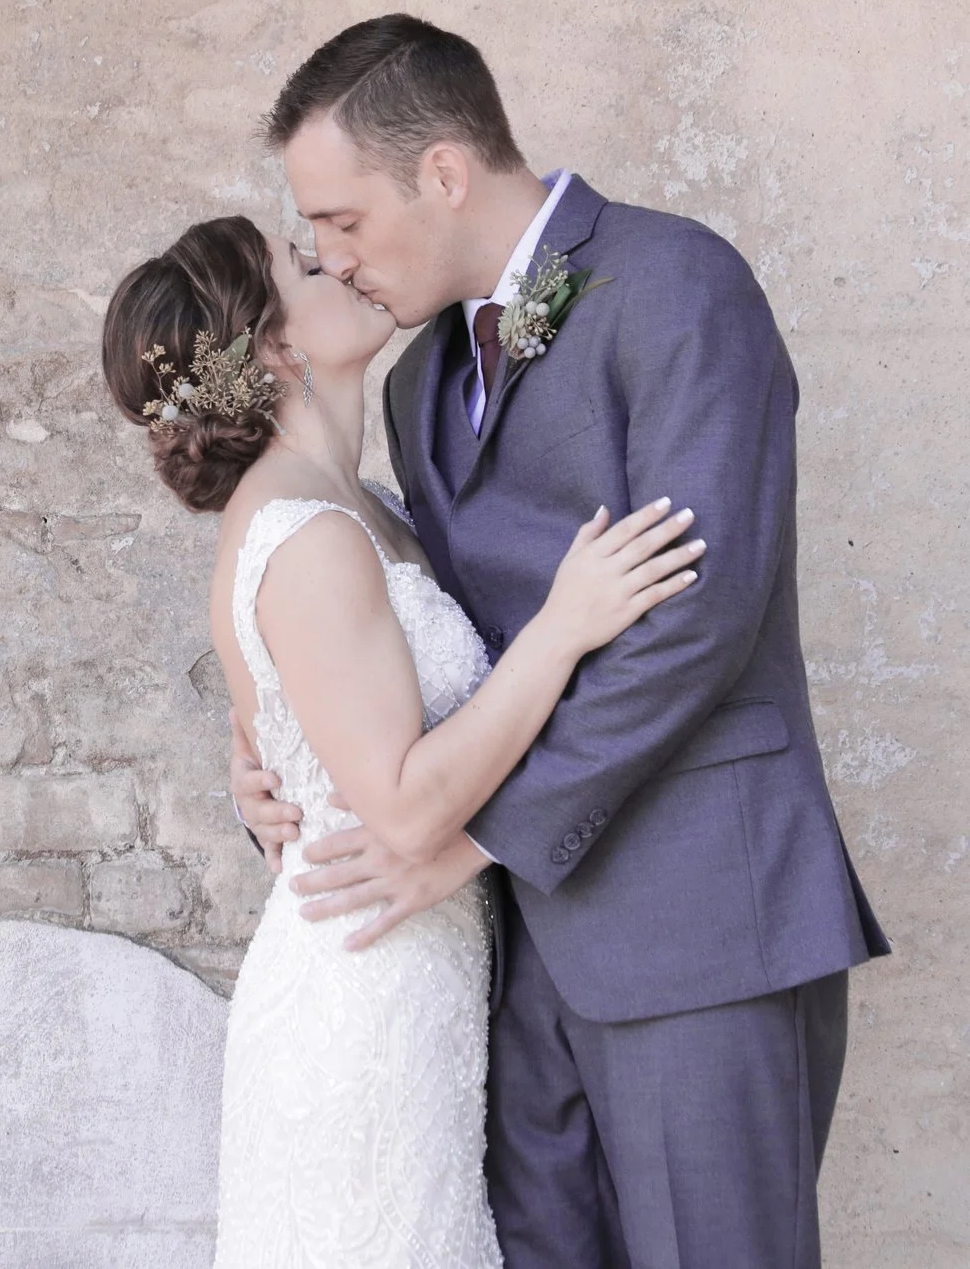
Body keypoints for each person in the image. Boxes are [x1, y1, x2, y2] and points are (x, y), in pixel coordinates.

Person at [232, 14, 891, 1267]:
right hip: (508, 962)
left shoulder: (677, 284)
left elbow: (695, 616)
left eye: (342, 221)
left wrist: (471, 834)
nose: (329, 259)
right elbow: (437, 641)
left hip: (698, 923)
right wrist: (283, 752)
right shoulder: (420, 382)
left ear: (441, 171)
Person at [102, 213, 702, 1265]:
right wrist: (564, 627)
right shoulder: (305, 534)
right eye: (303, 264)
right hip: (362, 1005)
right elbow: (405, 806)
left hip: (426, 983)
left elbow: (296, 727)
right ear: (274, 346)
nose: (335, 259)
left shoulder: (364, 505)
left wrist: (257, 769)